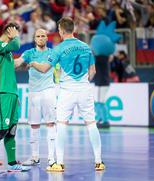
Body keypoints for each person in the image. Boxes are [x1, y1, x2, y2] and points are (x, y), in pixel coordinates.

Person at [30, 17, 105, 172]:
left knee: (62, 124)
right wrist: (83, 81)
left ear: (62, 31)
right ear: (74, 29)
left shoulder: (59, 48)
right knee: (91, 124)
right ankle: (99, 162)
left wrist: (33, 63)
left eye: (58, 29)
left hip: (67, 91)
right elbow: (93, 72)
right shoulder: (86, 47)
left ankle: (60, 163)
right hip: (85, 89)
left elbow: (44, 68)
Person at [0, 22, 30, 172]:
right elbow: (16, 45)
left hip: (11, 95)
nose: (18, 36)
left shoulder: (7, 53)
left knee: (11, 130)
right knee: (2, 129)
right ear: (9, 31)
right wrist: (15, 37)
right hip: (1, 94)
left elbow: (12, 64)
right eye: (16, 32)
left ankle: (12, 163)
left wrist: (15, 95)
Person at [15, 28, 56, 166]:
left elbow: (45, 68)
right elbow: (17, 62)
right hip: (33, 92)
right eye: (38, 36)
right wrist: (4, 59)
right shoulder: (28, 53)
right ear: (34, 39)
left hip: (48, 90)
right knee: (34, 125)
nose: (40, 38)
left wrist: (32, 64)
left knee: (51, 123)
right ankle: (34, 157)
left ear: (47, 38)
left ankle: (51, 158)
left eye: (43, 36)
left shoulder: (52, 53)